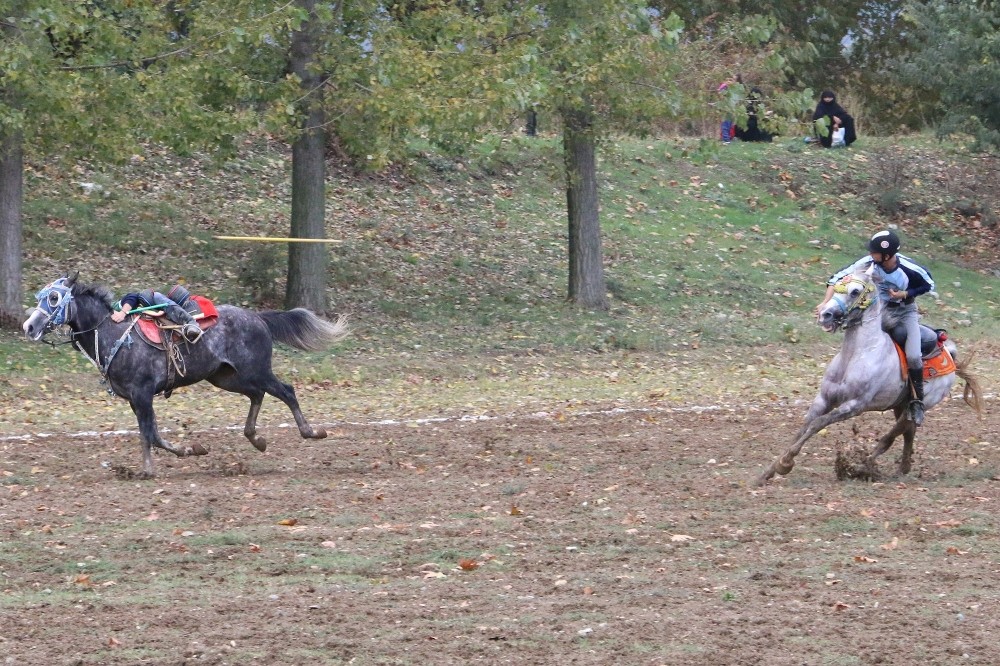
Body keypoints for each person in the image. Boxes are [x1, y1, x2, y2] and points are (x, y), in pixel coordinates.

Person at [815, 230, 935, 425]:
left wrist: (905, 294)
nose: (871, 254)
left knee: (913, 355)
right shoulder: (868, 263)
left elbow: (929, 284)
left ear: (887, 255)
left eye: (875, 252)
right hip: (877, 310)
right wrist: (824, 303)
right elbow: (836, 278)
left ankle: (916, 401)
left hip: (905, 312)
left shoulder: (908, 268)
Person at [111, 286, 203, 343]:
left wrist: (122, 312)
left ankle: (191, 322)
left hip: (149, 298)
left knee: (159, 300)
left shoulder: (114, 307)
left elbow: (133, 296)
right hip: (148, 306)